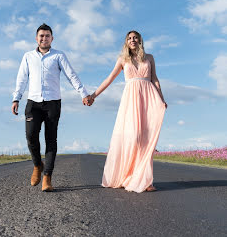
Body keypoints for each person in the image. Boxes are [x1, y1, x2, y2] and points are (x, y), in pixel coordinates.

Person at [11, 23, 91, 192]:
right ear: (36, 38)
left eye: (47, 36)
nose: (44, 38)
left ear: (52, 38)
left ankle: (47, 176)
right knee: (31, 136)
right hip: (33, 102)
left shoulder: (59, 56)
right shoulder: (28, 56)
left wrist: (83, 93)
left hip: (53, 103)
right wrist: (16, 98)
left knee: (50, 139)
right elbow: (21, 79)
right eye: (41, 35)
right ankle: (37, 165)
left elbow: (71, 75)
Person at [88, 30, 167, 193]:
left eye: (135, 38)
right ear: (126, 42)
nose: (132, 40)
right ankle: (128, 175)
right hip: (131, 100)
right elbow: (109, 79)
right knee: (134, 137)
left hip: (149, 97)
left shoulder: (149, 58)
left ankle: (146, 180)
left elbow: (155, 79)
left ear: (140, 41)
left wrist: (161, 98)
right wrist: (93, 95)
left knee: (146, 139)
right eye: (129, 38)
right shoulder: (123, 60)